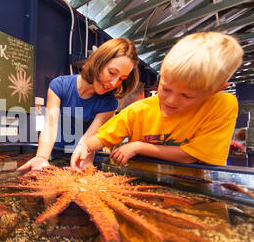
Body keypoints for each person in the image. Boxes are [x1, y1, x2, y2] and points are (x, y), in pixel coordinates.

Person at [71, 32, 244, 171]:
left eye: (187, 95)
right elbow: (101, 137)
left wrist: (139, 147)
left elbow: (193, 155)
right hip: (139, 177)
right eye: (166, 88)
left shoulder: (222, 104)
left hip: (190, 186)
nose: (171, 100)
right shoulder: (138, 110)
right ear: (161, 76)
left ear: (216, 90)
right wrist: (85, 147)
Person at [18, 38, 140, 173]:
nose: (114, 83)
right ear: (98, 62)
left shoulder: (109, 103)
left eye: (122, 79)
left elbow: (87, 141)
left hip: (87, 159)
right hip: (56, 154)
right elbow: (50, 127)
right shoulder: (59, 86)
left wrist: (83, 165)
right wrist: (41, 157)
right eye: (112, 73)